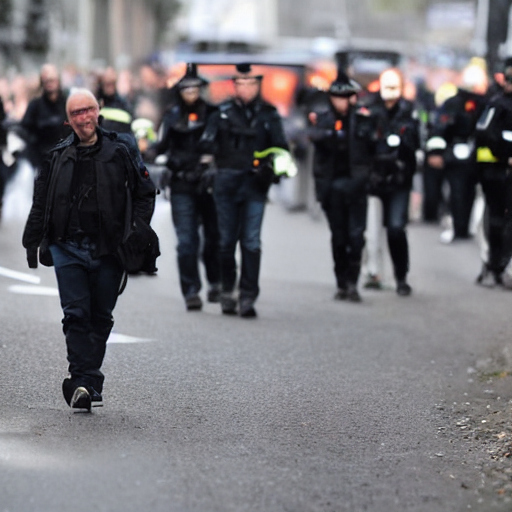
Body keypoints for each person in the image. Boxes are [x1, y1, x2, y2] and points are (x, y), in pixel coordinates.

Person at [22, 88, 156, 411]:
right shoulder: (56, 156)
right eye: (77, 113)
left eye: (89, 109)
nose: (84, 117)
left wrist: (136, 231)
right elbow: (40, 201)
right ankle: (82, 380)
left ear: (99, 112)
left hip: (109, 249)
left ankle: (86, 380)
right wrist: (32, 240)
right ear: (68, 121)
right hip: (67, 247)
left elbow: (145, 191)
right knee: (75, 314)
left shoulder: (121, 149)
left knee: (100, 317)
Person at [200, 63, 289, 318]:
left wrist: (271, 168)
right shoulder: (222, 112)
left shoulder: (269, 114)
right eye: (241, 83)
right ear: (234, 85)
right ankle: (228, 289)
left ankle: (248, 295)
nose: (247, 89)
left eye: (251, 83)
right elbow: (206, 144)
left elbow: (282, 148)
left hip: (254, 185)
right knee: (226, 242)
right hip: (226, 183)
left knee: (251, 242)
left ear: (258, 85)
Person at [307, 68, 376, 302]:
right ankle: (341, 282)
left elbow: (372, 149)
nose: (342, 103)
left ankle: (352, 283)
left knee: (356, 236)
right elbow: (315, 141)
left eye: (346, 97)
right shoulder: (323, 119)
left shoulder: (363, 120)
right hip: (332, 186)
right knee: (339, 236)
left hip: (356, 185)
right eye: (338, 97)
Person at [155, 63, 220, 310]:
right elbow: (160, 146)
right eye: (186, 89)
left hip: (207, 184)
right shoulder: (171, 115)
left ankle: (215, 281)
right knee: (186, 242)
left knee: (213, 239)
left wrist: (211, 162)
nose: (190, 93)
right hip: (181, 183)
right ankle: (191, 290)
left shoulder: (213, 114)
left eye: (195, 88)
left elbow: (217, 146)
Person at [364, 68, 420, 296]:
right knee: (369, 231)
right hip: (373, 178)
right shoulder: (369, 109)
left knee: (396, 229)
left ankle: (401, 276)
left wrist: (401, 140)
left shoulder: (410, 111)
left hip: (398, 179)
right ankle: (373, 272)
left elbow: (415, 142)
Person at [425, 63, 488, 243]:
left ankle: (465, 227)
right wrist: (436, 152)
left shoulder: (487, 103)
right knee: (458, 193)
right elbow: (440, 129)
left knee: (471, 194)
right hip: (456, 154)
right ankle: (459, 227)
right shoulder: (453, 103)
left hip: (480, 157)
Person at [474, 57, 512, 286]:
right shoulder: (496, 105)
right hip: (496, 173)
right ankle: (493, 264)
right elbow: (484, 133)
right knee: (496, 220)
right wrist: (505, 156)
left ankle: (503, 264)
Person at [20, 63, 71, 170]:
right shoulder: (35, 105)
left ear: (58, 80)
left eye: (52, 80)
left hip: (65, 160)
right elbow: (25, 130)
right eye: (46, 81)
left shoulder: (67, 103)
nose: (49, 84)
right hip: (41, 160)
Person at [96, 66, 133, 134]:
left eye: (112, 84)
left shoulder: (123, 104)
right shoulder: (94, 103)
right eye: (107, 84)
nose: (110, 88)